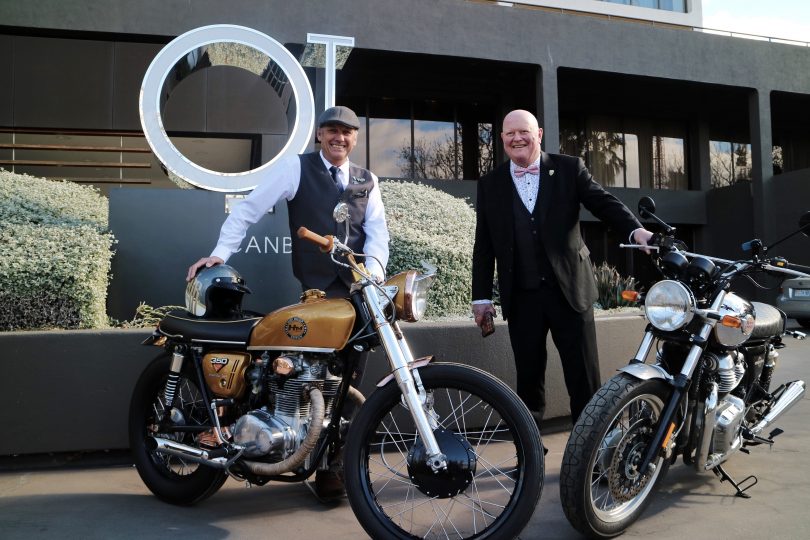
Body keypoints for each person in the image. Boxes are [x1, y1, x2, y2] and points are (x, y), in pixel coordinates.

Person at [187, 105, 389, 500]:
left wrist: (375, 273)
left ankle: (333, 467)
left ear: (355, 138)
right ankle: (293, 450)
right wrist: (220, 254)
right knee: (312, 379)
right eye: (332, 130)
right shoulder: (296, 168)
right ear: (319, 134)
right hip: (318, 296)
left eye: (347, 132)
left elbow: (377, 231)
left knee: (349, 381)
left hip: (358, 294)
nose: (339, 138)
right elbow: (248, 209)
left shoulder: (368, 179)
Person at [471, 109, 652, 432]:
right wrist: (481, 297)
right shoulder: (490, 184)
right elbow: (483, 246)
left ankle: (596, 453)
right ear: (502, 139)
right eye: (510, 134)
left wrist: (636, 231)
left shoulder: (569, 169)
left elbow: (604, 203)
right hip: (522, 297)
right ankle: (530, 456)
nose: (517, 138)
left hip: (570, 291)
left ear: (538, 134)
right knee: (528, 383)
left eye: (523, 132)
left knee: (583, 378)